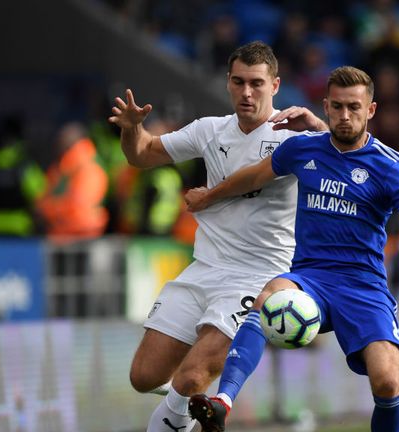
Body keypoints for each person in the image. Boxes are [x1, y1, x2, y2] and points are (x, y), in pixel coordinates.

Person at [184, 66, 399, 432]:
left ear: (371, 110)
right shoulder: (302, 148)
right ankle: (222, 403)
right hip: (311, 277)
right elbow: (255, 176)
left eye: (354, 107)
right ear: (325, 106)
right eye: (337, 107)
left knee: (387, 382)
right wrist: (209, 195)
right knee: (269, 296)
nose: (345, 115)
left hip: (363, 286)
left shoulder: (390, 165)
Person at [107, 41, 327, 432]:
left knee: (190, 379)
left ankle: (194, 393)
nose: (247, 92)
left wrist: (321, 128)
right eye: (239, 82)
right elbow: (141, 154)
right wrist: (131, 129)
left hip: (258, 276)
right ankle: (191, 394)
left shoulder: (294, 138)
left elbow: (350, 155)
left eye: (257, 83)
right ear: (227, 82)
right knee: (143, 376)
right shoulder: (210, 130)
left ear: (275, 85)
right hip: (203, 269)